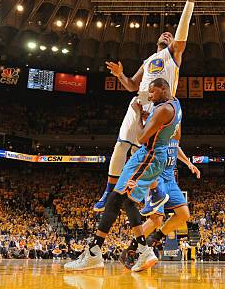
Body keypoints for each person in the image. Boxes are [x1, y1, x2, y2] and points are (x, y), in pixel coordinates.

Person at [93, 0, 203, 212]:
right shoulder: (147, 61)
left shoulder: (173, 55)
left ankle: (156, 193)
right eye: (164, 34)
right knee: (121, 146)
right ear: (157, 41)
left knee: (151, 152)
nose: (167, 34)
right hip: (139, 102)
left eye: (170, 34)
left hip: (160, 107)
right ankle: (109, 191)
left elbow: (184, 25)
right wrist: (121, 75)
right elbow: (132, 85)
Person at [65, 78, 182, 272]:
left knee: (115, 198)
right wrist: (150, 119)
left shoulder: (163, 110)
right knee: (127, 202)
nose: (150, 96)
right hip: (151, 157)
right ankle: (144, 251)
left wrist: (137, 115)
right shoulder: (175, 104)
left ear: (163, 89)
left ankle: (94, 252)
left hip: (148, 157)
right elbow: (169, 131)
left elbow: (141, 137)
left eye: (152, 92)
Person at [120, 128, 201, 269]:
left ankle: (154, 238)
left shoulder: (176, 127)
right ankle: (129, 251)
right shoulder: (158, 124)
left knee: (184, 214)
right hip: (156, 178)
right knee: (156, 219)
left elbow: (176, 147)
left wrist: (188, 163)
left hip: (170, 179)